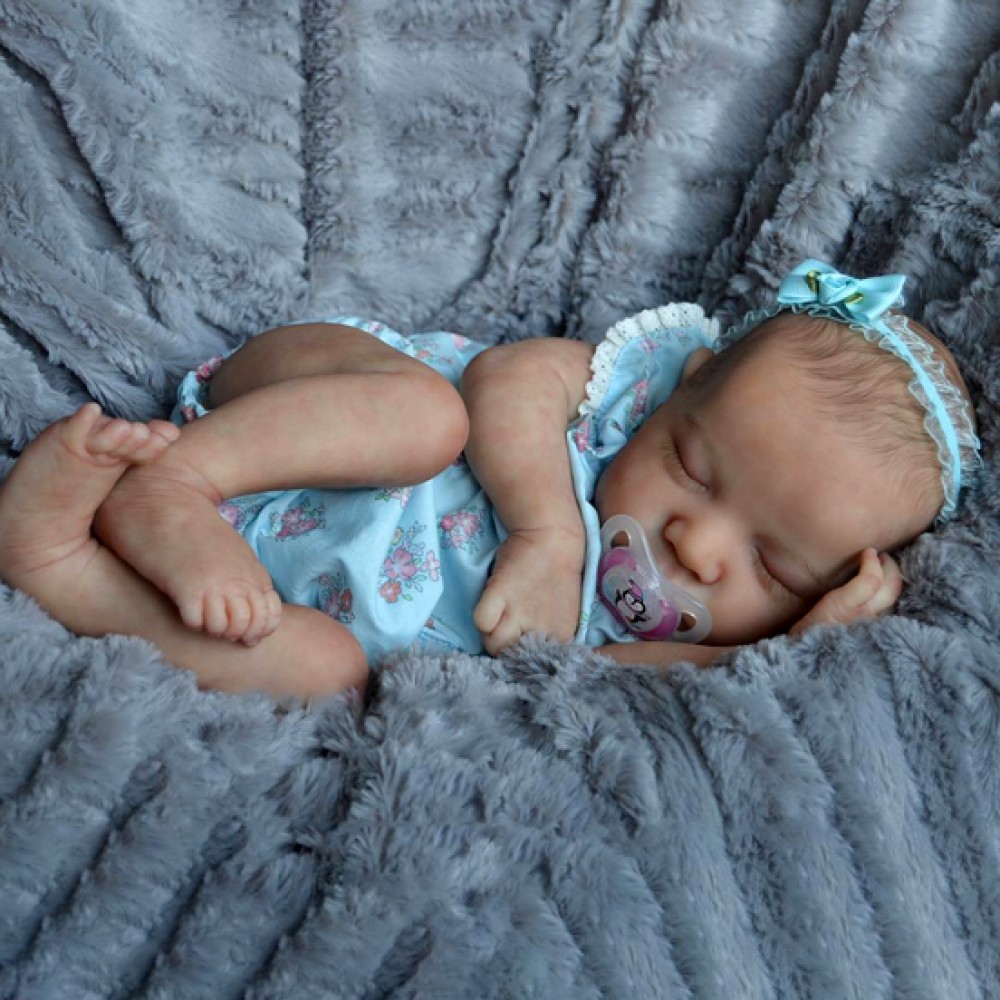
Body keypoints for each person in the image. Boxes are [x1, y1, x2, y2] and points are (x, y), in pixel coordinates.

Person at [0, 261, 981, 699]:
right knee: (430, 417)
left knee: (326, 676)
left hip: (274, 581)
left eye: (773, 568)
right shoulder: (616, 391)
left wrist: (786, 654)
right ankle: (174, 481)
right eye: (690, 466)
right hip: (302, 417)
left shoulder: (648, 635)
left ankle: (65, 568)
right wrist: (548, 532)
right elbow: (507, 379)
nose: (698, 544)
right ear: (684, 386)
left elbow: (617, 684)